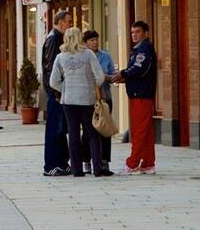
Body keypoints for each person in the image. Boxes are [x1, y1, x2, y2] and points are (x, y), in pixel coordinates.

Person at [49, 28, 108, 177]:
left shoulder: (61, 57)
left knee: (73, 133)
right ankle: (97, 167)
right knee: (92, 133)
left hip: (68, 100)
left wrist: (66, 88)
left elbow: (53, 81)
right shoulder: (88, 54)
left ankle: (77, 169)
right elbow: (100, 77)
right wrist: (92, 85)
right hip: (87, 98)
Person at [117, 21, 157, 175]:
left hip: (141, 95)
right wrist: (124, 77)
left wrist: (122, 74)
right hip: (139, 94)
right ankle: (148, 163)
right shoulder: (137, 49)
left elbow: (139, 68)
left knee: (139, 130)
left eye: (138, 32)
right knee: (145, 131)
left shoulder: (144, 48)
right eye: (132, 32)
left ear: (146, 33)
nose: (134, 35)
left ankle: (132, 164)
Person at [39, 10, 73, 176]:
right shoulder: (53, 39)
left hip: (60, 91)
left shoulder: (57, 38)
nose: (70, 25)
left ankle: (62, 162)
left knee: (61, 128)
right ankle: (51, 165)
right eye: (68, 22)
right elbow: (51, 68)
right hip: (56, 92)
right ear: (60, 23)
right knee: (55, 127)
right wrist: (56, 90)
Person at [85, 30, 116, 176]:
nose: (95, 42)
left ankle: (104, 161)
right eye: (91, 40)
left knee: (105, 129)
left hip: (105, 97)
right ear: (85, 43)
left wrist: (105, 77)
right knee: (89, 131)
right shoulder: (83, 57)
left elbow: (113, 76)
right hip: (89, 99)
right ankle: (87, 160)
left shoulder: (105, 56)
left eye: (96, 39)